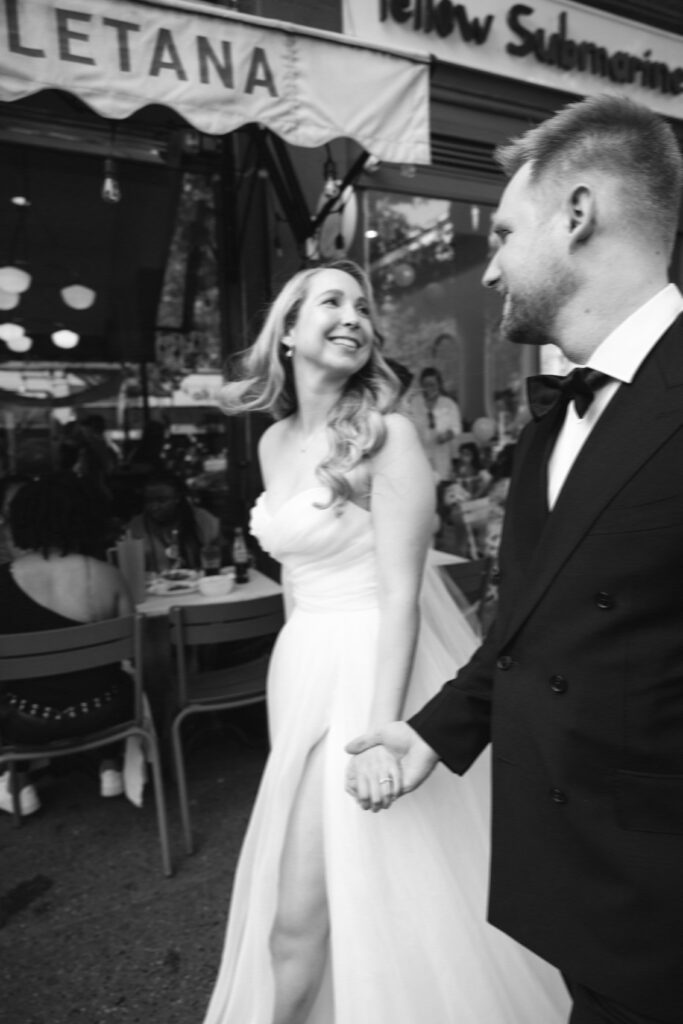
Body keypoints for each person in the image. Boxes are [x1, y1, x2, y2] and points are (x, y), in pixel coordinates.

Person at [346, 94, 683, 1024]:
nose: (488, 267)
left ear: (576, 216)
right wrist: (428, 735)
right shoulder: (549, 423)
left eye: (501, 233)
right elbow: (530, 627)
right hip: (581, 886)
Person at [201, 259, 568, 1024]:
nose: (354, 317)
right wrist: (293, 684)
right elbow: (297, 579)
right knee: (336, 905)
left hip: (369, 670)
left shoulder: (389, 435)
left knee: (297, 920)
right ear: (290, 333)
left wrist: (378, 732)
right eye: (331, 301)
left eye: (363, 307)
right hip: (303, 667)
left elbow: (401, 592)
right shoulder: (271, 444)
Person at [0, 473, 134, 815]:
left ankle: (19, 782)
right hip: (106, 711)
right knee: (118, 677)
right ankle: (109, 764)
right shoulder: (108, 575)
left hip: (25, 722)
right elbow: (132, 651)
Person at [127, 471, 220, 573]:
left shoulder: (202, 519)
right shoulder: (136, 526)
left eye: (161, 500)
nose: (154, 506)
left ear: (177, 498)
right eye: (149, 501)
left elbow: (221, 556)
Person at [409, 365, 462, 481]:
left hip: (441, 456)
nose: (429, 388)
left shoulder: (449, 404)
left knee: (441, 486)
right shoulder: (414, 403)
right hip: (420, 456)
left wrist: (446, 436)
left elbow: (456, 429)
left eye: (432, 384)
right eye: (425, 384)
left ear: (439, 384)